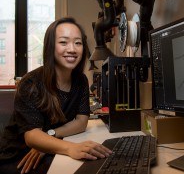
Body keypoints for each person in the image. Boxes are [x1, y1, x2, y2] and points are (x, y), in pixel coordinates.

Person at [0, 17, 112, 174]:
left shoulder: (80, 80)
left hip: (50, 148)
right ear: (51, 47)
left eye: (78, 43)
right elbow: (32, 136)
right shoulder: (30, 83)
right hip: (21, 156)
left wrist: (49, 139)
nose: (72, 49)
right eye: (63, 42)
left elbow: (81, 121)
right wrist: (70, 148)